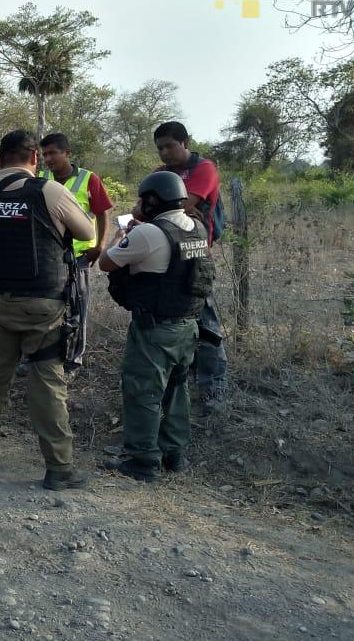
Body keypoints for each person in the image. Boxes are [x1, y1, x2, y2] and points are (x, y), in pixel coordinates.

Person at [0, 129, 94, 490]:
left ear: (0, 158)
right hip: (43, 306)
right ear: (34, 158)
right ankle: (58, 467)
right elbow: (87, 234)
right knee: (47, 382)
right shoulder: (49, 190)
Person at [99, 171, 214, 482]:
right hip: (188, 326)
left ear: (153, 199)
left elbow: (106, 262)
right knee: (177, 391)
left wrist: (122, 231)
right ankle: (174, 455)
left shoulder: (148, 233)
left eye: (141, 199)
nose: (138, 204)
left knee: (142, 392)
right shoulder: (196, 228)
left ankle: (143, 460)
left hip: (155, 329)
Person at [142, 121, 228, 416]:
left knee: (206, 323)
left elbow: (183, 204)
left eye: (169, 146)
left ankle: (214, 388)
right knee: (171, 321)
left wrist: (162, 208)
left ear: (185, 142)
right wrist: (168, 209)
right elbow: (139, 210)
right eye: (160, 148)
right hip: (163, 254)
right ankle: (177, 384)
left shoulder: (203, 169)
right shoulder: (159, 173)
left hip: (194, 256)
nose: (164, 152)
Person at [38, 132, 113, 371]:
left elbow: (102, 213)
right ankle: (42, 354)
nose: (48, 159)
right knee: (45, 306)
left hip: (78, 257)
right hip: (47, 256)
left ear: (67, 153)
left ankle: (74, 358)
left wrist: (100, 246)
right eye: (44, 154)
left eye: (53, 153)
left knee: (78, 305)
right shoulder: (40, 178)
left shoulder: (88, 179)